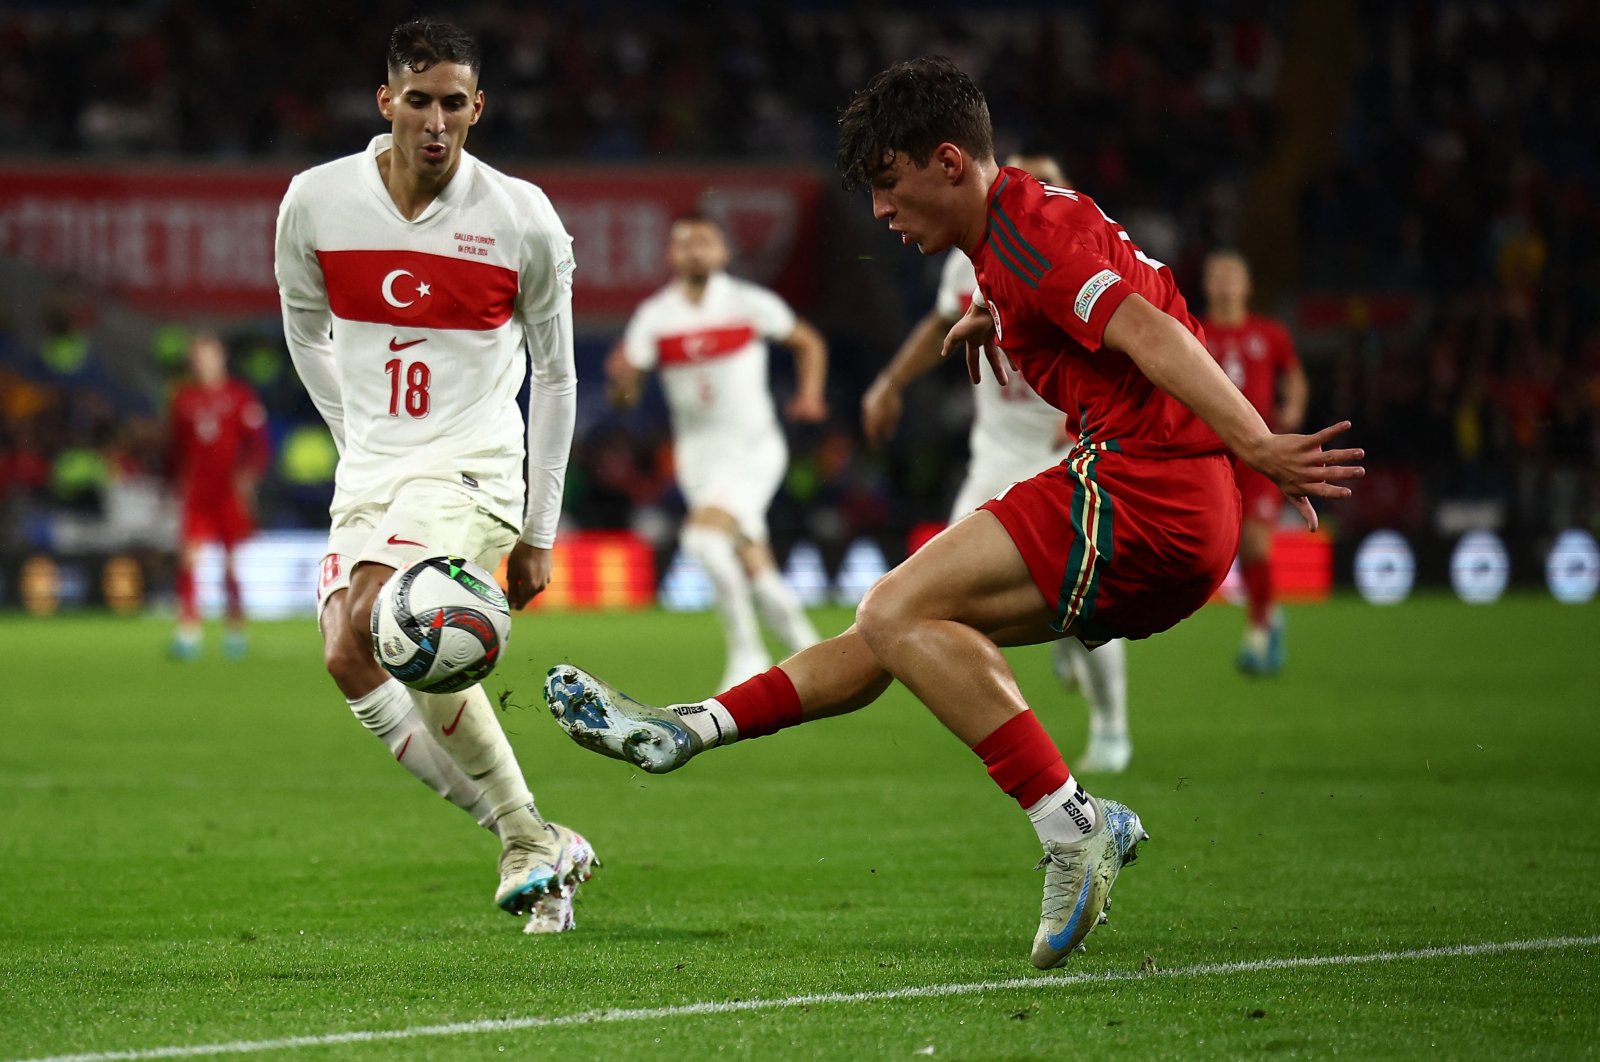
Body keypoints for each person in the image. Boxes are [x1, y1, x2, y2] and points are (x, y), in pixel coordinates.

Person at [547, 58, 1361, 968]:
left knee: (894, 609)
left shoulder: (1029, 238)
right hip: (1161, 506)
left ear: (948, 162)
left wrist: (1257, 447)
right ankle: (690, 728)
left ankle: (1072, 825)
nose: (883, 214)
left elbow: (1150, 330)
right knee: (899, 627)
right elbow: (1078, 295)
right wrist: (999, 322)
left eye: (890, 188)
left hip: (1149, 487)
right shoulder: (1018, 227)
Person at [274, 17, 594, 934]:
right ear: (387, 101)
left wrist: (540, 528)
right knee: (346, 653)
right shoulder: (315, 201)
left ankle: (529, 843)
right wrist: (355, 431)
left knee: (389, 614)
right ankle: (532, 832)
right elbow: (304, 327)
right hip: (374, 470)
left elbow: (559, 377)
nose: (436, 121)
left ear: (478, 107)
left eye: (455, 102)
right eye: (418, 100)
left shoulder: (522, 217)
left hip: (472, 467)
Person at [861, 151, 1132, 774]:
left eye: (1048, 181)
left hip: (1075, 448)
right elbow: (938, 326)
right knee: (934, 596)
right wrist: (890, 384)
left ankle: (1111, 728)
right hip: (996, 454)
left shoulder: (1081, 254)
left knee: (1095, 605)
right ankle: (1007, 738)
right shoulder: (969, 259)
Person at [607, 213, 830, 691]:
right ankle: (813, 656)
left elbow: (808, 341)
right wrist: (621, 382)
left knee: (703, 541)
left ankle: (747, 654)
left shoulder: (749, 303)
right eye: (683, 242)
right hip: (697, 458)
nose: (693, 249)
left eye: (703, 240)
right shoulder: (654, 316)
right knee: (753, 559)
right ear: (670, 255)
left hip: (753, 447)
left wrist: (809, 394)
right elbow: (625, 396)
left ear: (722, 253)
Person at [1201, 250, 1308, 675]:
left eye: (1233, 276)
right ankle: (1270, 617)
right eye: (1218, 276)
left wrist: (1293, 405)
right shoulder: (1193, 331)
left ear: (1248, 287)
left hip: (1260, 452)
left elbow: (1294, 374)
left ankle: (1258, 634)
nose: (1226, 283)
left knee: (1256, 544)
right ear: (1207, 285)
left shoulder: (1270, 333)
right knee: (1224, 548)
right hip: (1210, 455)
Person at [166, 331, 269, 661]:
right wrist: (175, 482)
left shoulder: (239, 396)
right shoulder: (183, 398)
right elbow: (177, 448)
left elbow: (259, 444)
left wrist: (248, 477)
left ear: (221, 356)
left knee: (230, 566)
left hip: (229, 492)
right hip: (198, 492)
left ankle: (235, 629)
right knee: (189, 559)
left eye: (209, 354)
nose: (203, 362)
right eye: (198, 356)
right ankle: (189, 632)